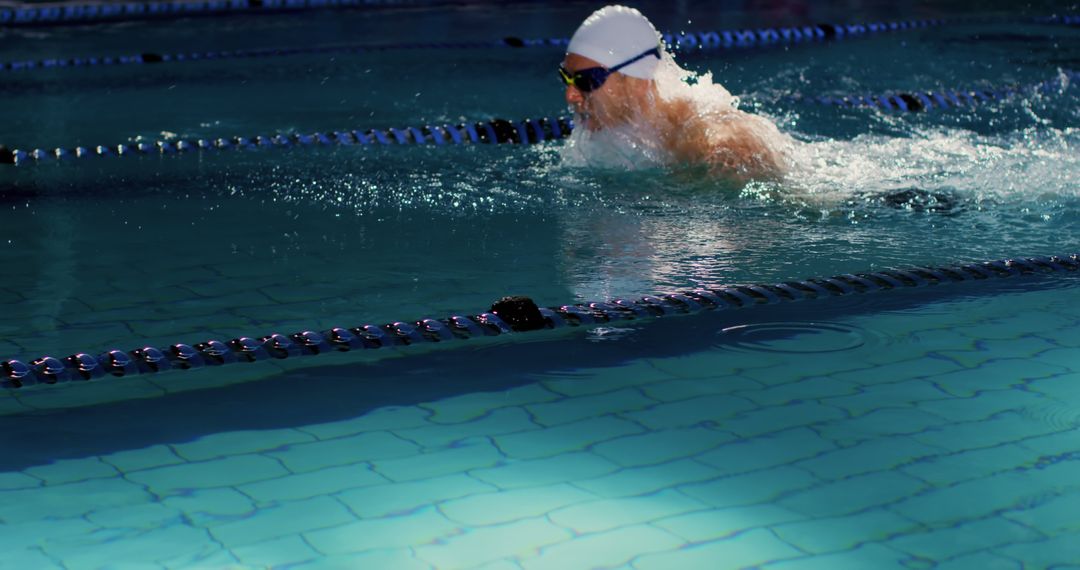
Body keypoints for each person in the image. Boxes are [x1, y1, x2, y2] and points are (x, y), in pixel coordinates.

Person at [559, 5, 789, 181]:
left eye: (586, 81)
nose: (571, 95)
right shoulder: (609, 140)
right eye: (566, 78)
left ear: (639, 81)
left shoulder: (712, 143)